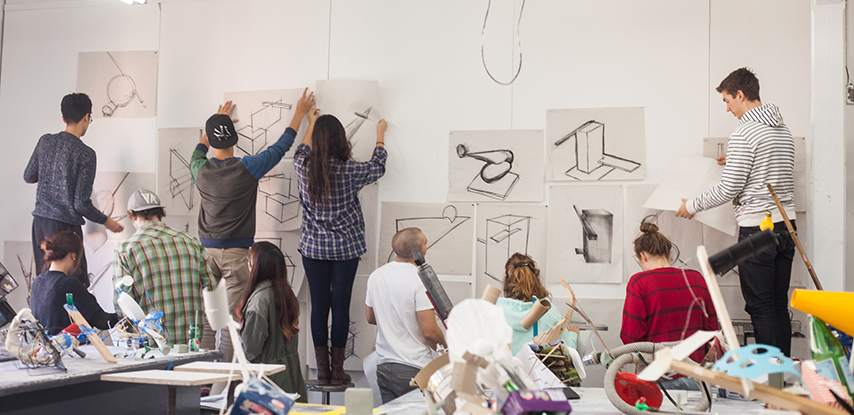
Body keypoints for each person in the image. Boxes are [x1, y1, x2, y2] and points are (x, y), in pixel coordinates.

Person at [676, 67, 796, 356]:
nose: (728, 109)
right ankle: (782, 376)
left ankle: (770, 381)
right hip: (786, 227)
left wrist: (690, 205)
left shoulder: (744, 132)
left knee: (760, 306)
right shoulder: (781, 129)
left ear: (740, 95)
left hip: (757, 231)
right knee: (778, 304)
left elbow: (728, 189)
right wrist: (735, 158)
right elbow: (768, 167)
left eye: (728, 101)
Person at [190, 90, 315, 361]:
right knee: (231, 325)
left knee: (208, 321)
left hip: (205, 255)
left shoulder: (199, 169)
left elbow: (198, 151)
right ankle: (225, 384)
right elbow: (280, 147)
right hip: (237, 257)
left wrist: (213, 127)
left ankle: (205, 386)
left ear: (211, 142)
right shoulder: (248, 168)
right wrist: (299, 113)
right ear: (235, 140)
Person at [294, 108, 388, 385]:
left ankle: (322, 370)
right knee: (341, 307)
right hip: (346, 249)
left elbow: (301, 149)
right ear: (341, 140)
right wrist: (380, 136)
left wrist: (310, 123)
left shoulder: (302, 167)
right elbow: (378, 167)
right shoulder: (350, 170)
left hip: (313, 249)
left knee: (319, 307)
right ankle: (337, 370)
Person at [24, 93, 124, 287]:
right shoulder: (85, 154)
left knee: (45, 282)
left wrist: (49, 170)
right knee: (74, 286)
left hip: (40, 224)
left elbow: (29, 176)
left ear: (63, 118)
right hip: (65, 229)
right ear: (87, 117)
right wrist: (107, 221)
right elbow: (81, 203)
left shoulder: (45, 141)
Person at [112, 188, 216, 345]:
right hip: (192, 344)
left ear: (133, 215)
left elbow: (122, 305)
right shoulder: (192, 242)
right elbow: (211, 290)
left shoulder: (125, 250)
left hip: (152, 347)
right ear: (160, 213)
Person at [365, 228, 447, 403]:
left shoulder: (376, 276)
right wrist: (448, 353)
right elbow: (430, 332)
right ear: (418, 252)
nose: (427, 246)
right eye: (425, 242)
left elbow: (371, 317)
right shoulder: (420, 280)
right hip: (413, 368)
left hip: (384, 367)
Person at [620, 223, 719, 364]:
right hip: (697, 371)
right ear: (668, 254)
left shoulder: (640, 282)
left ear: (643, 256)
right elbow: (712, 330)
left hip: (658, 371)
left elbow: (631, 338)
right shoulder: (697, 278)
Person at [238, 242, 307, 402]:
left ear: (256, 267)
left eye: (249, 262)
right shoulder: (287, 294)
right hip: (291, 377)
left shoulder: (259, 301)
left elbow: (251, 350)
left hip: (267, 383)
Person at [30, 230, 118, 335]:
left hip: (43, 348)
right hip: (64, 348)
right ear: (73, 255)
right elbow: (102, 321)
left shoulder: (37, 281)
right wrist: (127, 315)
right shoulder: (68, 284)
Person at [496, 253, 579, 355]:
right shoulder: (548, 310)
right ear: (535, 278)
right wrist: (573, 335)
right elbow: (567, 350)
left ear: (506, 281)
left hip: (506, 370)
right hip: (535, 370)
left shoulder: (496, 311)